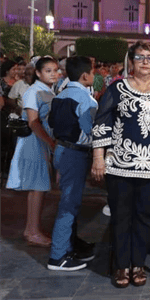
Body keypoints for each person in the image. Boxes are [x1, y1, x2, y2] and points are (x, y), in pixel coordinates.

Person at [91, 42, 150, 288]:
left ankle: (138, 264)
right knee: (121, 216)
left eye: (149, 57)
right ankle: (122, 266)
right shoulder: (117, 88)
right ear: (131, 61)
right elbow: (102, 122)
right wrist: (98, 157)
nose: (144, 61)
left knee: (144, 217)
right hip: (120, 164)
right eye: (139, 57)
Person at [47, 56, 98, 271]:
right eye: (93, 72)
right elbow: (91, 130)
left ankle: (69, 247)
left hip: (61, 149)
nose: (94, 76)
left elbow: (50, 122)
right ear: (85, 75)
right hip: (75, 153)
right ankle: (58, 256)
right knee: (69, 204)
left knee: (70, 200)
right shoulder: (86, 99)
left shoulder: (61, 94)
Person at [7, 56, 59, 247]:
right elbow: (33, 122)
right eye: (48, 70)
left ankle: (32, 229)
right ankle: (32, 230)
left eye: (55, 70)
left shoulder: (45, 90)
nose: (54, 74)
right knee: (37, 187)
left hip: (41, 141)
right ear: (38, 73)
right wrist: (51, 143)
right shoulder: (33, 92)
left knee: (39, 187)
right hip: (34, 142)